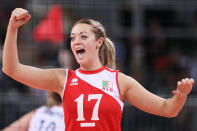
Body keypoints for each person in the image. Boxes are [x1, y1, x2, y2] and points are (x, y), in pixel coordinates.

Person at [2, 8, 194, 131]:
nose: (76, 41)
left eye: (83, 36)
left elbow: (167, 109)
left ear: (99, 42)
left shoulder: (119, 81)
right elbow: (11, 69)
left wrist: (180, 97)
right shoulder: (63, 78)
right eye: (73, 37)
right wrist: (12, 28)